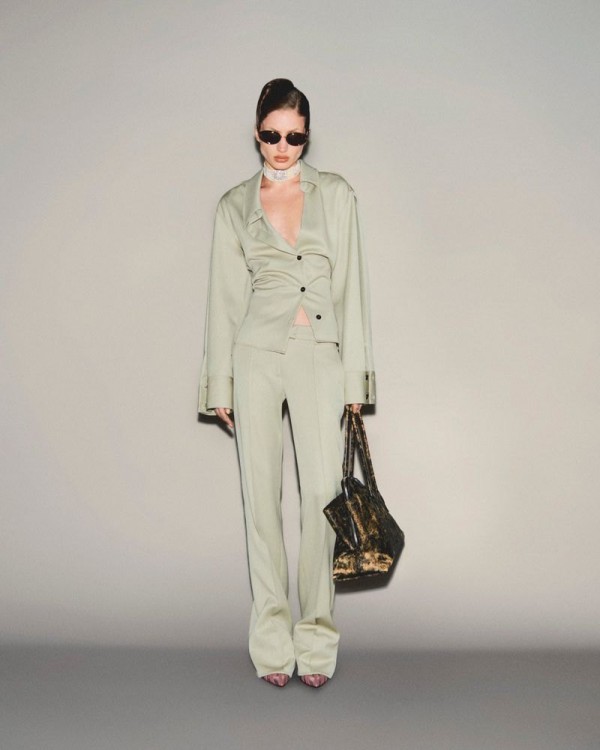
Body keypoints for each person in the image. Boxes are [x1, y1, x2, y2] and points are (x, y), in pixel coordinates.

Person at [198, 79, 375, 688]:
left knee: (323, 499)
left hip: (319, 354)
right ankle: (272, 644)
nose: (282, 146)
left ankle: (316, 643)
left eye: (294, 137)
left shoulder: (337, 195)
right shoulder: (233, 205)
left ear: (307, 136)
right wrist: (219, 383)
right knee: (260, 503)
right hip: (255, 355)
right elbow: (224, 300)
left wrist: (355, 378)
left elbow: (352, 288)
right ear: (257, 134)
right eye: (272, 134)